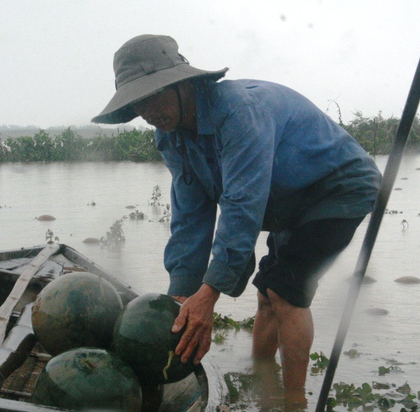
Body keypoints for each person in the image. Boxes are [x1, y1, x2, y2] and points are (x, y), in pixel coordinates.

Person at [92, 34, 381, 389]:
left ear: (183, 85)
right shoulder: (170, 136)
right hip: (286, 200)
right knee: (266, 295)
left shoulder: (239, 112)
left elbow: (242, 203)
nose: (149, 112)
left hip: (337, 187)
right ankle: (261, 384)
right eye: (139, 103)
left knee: (285, 291)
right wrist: (183, 291)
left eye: (154, 95)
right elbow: (190, 214)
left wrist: (209, 293)